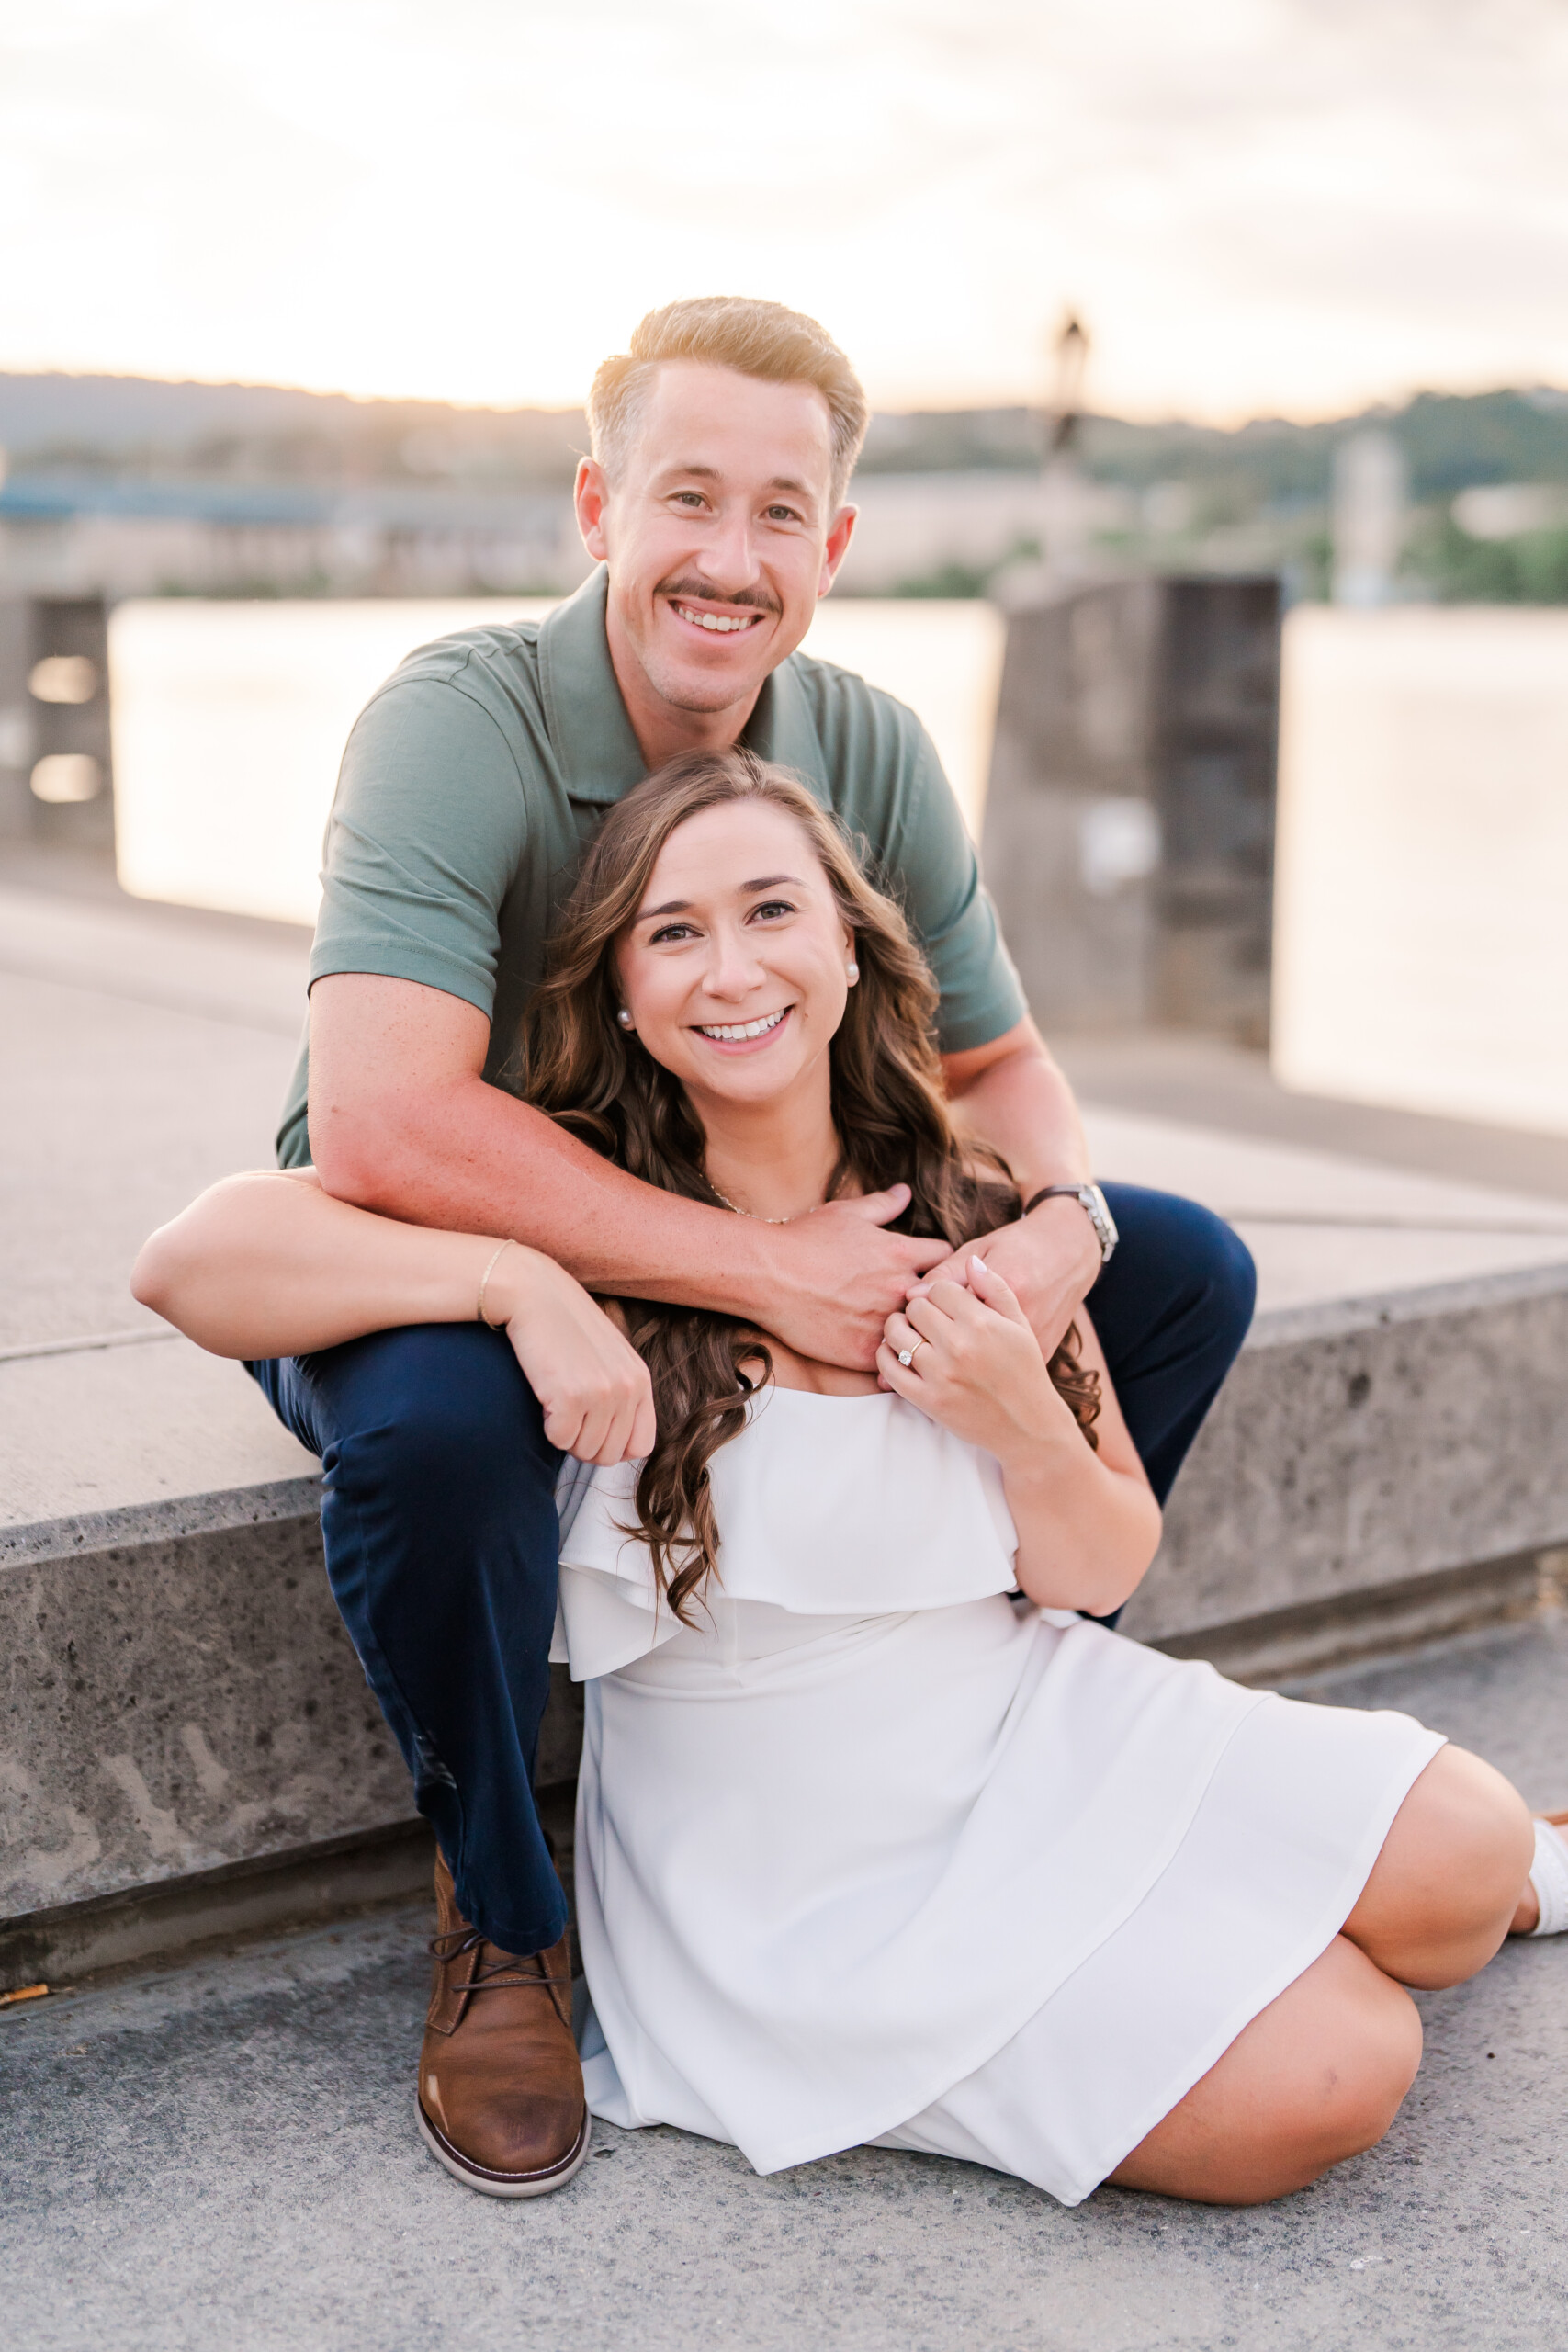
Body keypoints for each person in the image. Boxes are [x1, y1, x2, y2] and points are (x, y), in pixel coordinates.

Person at [135, 753, 1567, 2211]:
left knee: (1471, 1855)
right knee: (1341, 2077)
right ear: (621, 992)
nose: (732, 966)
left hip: (1032, 1721)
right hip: (791, 1870)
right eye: (673, 932)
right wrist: (513, 1283)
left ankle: (1331, 1902)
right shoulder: (592, 1222)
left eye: (772, 911)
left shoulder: (980, 1204)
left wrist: (1020, 1417)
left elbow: (1100, 1572)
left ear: (850, 948)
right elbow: (189, 1262)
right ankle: (1263, 1935)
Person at [175, 294, 1271, 2196]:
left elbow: (997, 1060)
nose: (728, 557)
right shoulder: (458, 721)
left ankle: (985, 1713)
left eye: (781, 513)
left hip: (752, 1214)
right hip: (430, 1248)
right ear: (598, 502)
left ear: (833, 546)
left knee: (1180, 1263)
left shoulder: (863, 741)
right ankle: (502, 1912)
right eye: (686, 496)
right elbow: (380, 1121)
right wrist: (751, 1273)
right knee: (441, 1432)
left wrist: (1056, 1233)